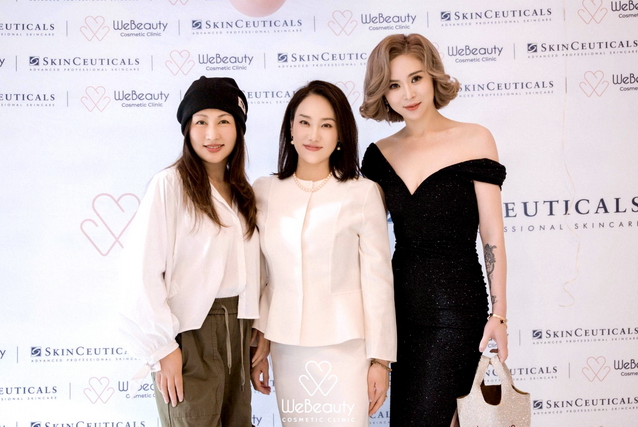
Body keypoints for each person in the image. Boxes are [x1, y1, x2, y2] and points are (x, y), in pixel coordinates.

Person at [359, 34, 509, 427]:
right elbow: (365, 239)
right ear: (383, 93)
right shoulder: (378, 155)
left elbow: (492, 235)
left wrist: (500, 314)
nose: (408, 93)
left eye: (416, 78)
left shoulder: (475, 139)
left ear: (433, 78)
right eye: (394, 85)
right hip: (400, 309)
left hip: (456, 308)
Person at [250, 80, 397, 427]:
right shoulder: (263, 191)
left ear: (340, 134)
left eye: (326, 125)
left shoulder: (363, 193)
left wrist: (381, 360)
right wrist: (260, 343)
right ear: (290, 128)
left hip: (346, 347)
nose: (313, 134)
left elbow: (377, 281)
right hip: (286, 346)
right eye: (304, 122)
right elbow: (262, 277)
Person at [118, 76, 260, 427]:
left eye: (224, 121)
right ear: (187, 129)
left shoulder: (243, 193)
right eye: (201, 122)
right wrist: (162, 347)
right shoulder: (170, 185)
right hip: (190, 336)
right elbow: (140, 272)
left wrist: (256, 332)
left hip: (239, 332)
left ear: (238, 129)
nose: (212, 134)